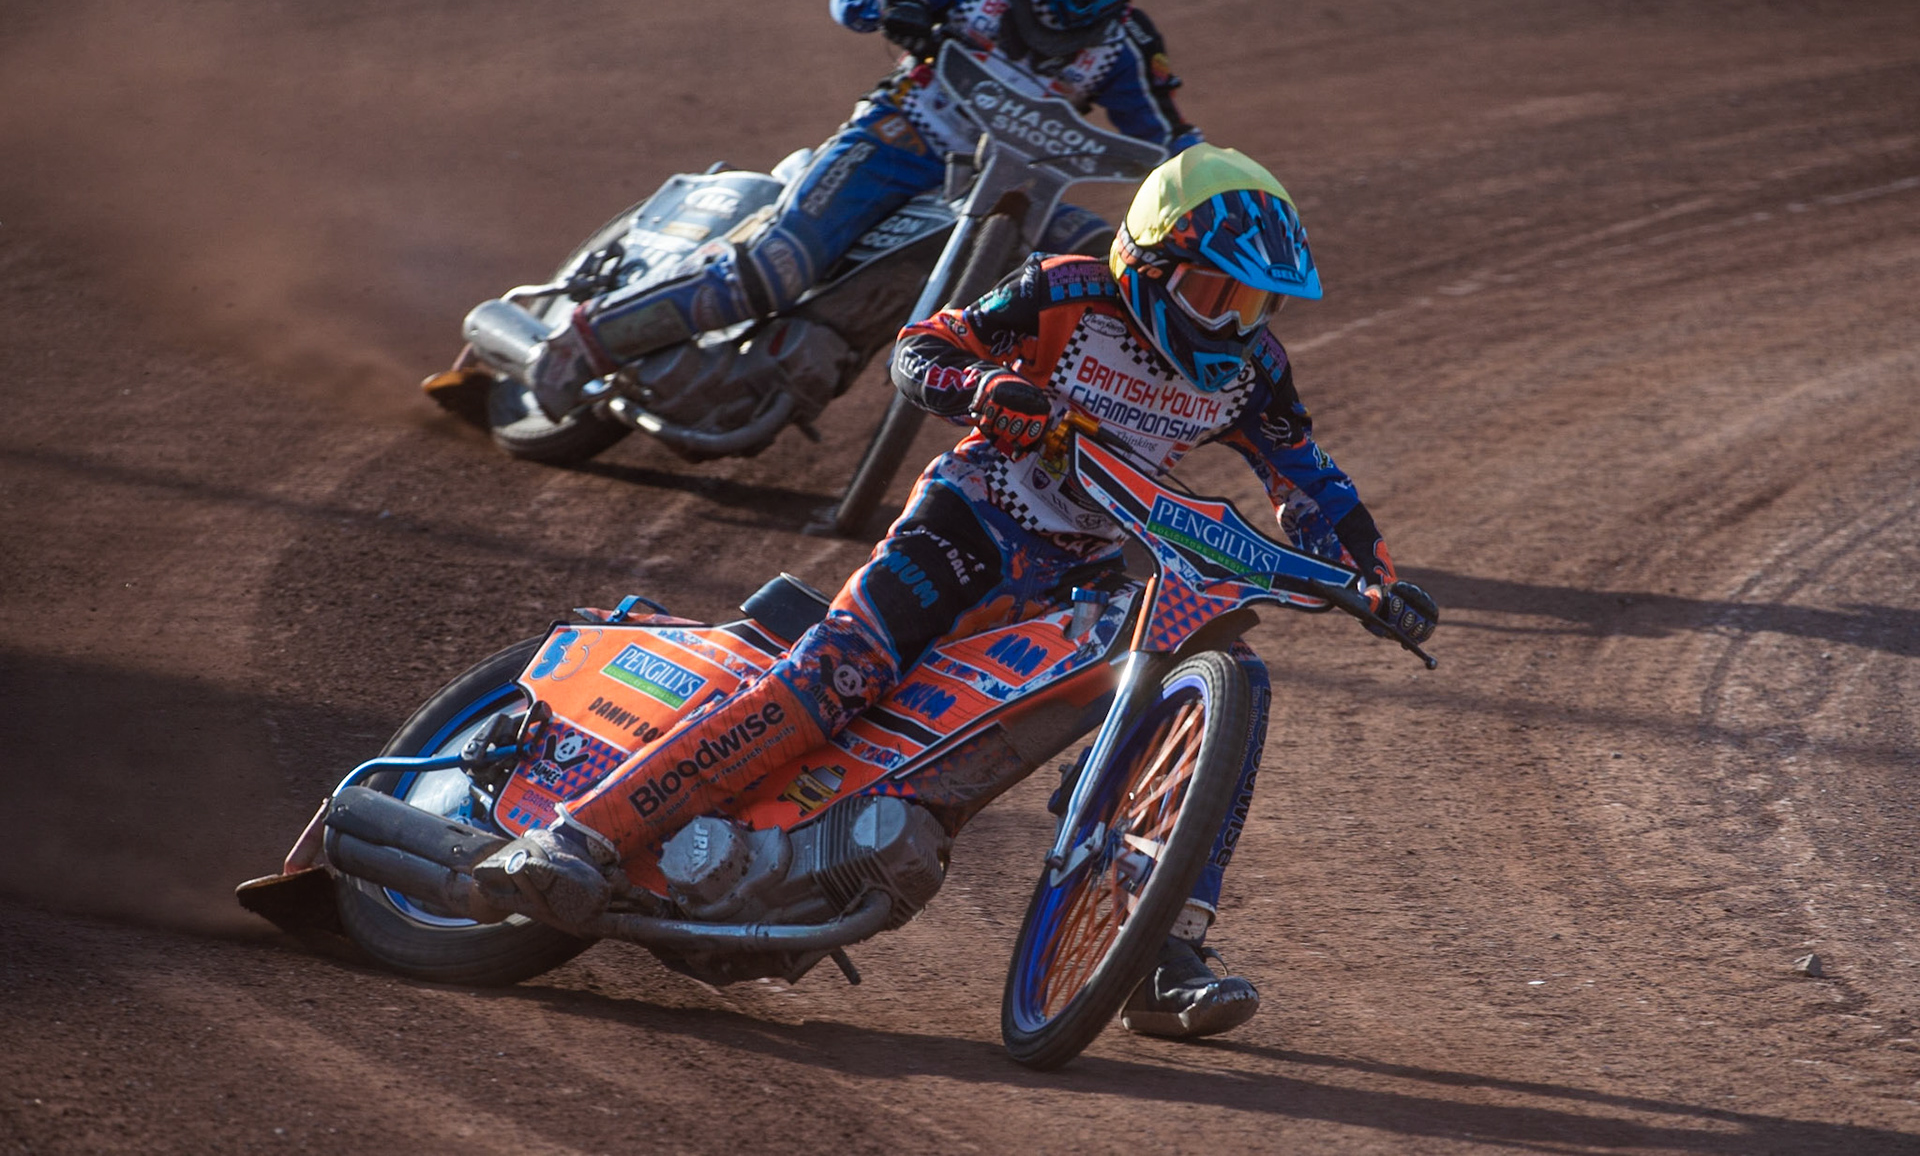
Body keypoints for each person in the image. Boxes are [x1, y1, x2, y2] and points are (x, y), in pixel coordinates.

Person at [477, 145, 1441, 1040]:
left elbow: (1312, 485)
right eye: (1214, 291)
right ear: (1148, 263)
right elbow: (922, 349)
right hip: (971, 519)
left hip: (1084, 567)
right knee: (838, 677)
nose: (1232, 322)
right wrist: (981, 390)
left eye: (1256, 302)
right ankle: (583, 837)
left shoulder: (1255, 372)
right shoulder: (1067, 289)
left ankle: (1158, 948)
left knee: (1222, 682)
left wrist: (1373, 577)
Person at [513, 0, 1202, 421]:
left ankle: (1060, 456)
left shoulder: (1128, 44)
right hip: (898, 139)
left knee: (1099, 271)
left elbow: (1174, 144)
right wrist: (889, 3)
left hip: (1013, 192)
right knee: (777, 268)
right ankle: (580, 343)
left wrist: (1213, 194)